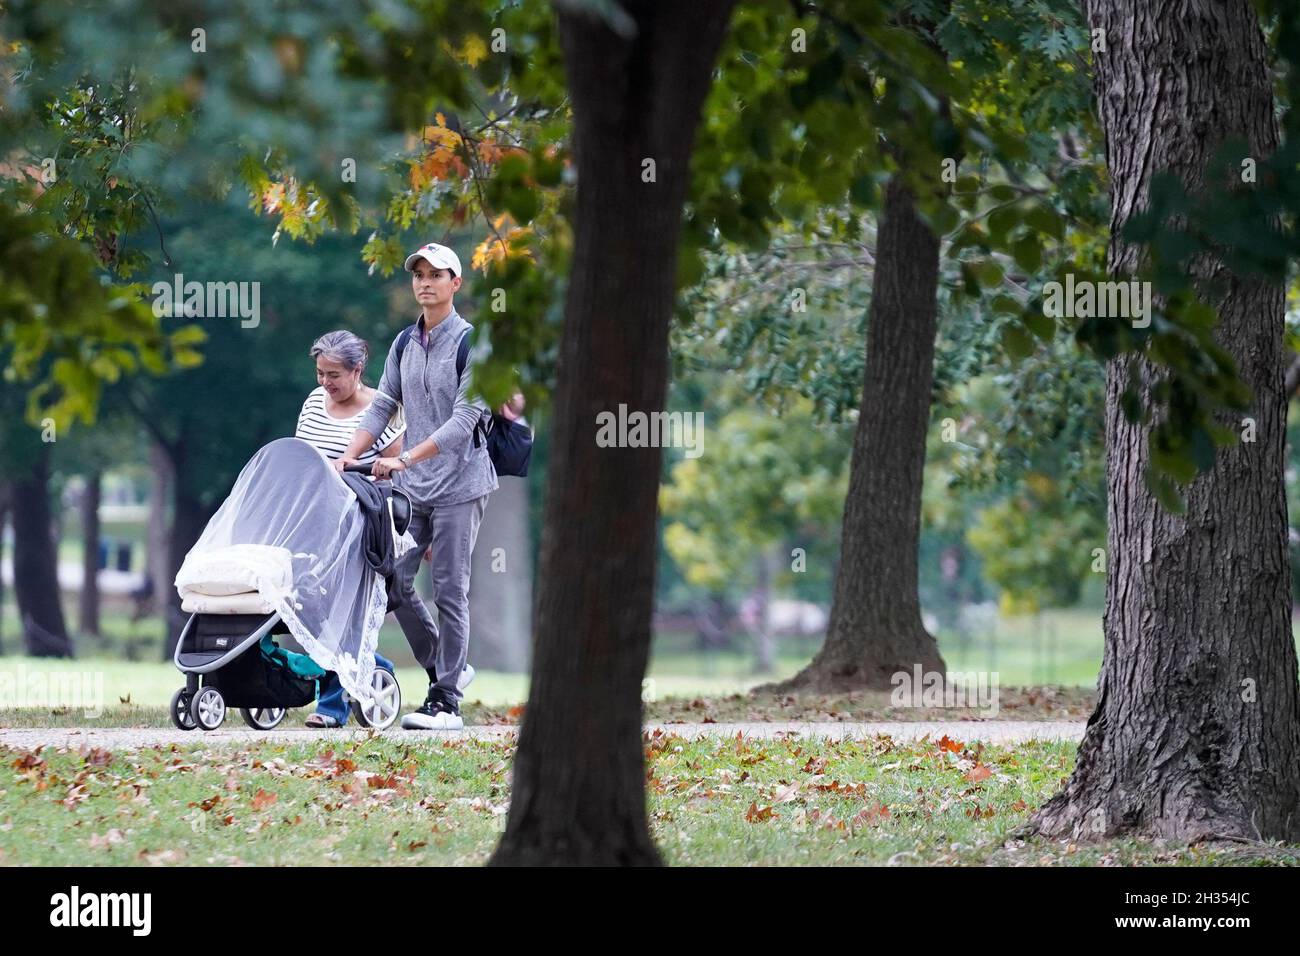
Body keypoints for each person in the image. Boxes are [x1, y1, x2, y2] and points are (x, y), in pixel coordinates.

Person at [336, 242, 498, 730]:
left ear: (456, 283)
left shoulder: (475, 344)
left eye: (436, 274)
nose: (425, 282)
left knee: (450, 590)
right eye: (418, 275)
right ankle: (445, 671)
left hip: (461, 486)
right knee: (395, 581)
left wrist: (403, 458)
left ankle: (447, 701)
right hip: (417, 491)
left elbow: (466, 418)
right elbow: (384, 403)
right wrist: (352, 451)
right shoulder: (405, 343)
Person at [294, 330, 405, 729]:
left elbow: (396, 473)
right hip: (316, 522)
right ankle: (372, 665)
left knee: (343, 610)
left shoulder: (382, 409)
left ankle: (332, 708)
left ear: (358, 370)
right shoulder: (312, 403)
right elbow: (303, 458)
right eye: (321, 373)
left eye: (334, 374)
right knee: (311, 606)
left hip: (363, 523)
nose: (326, 382)